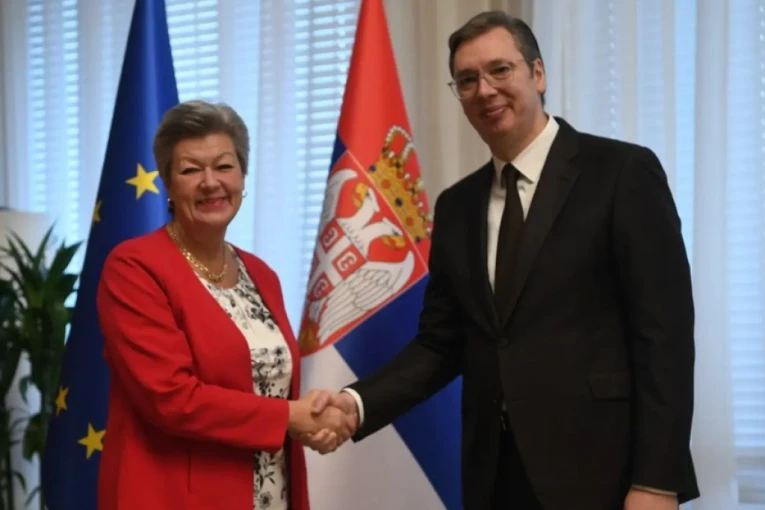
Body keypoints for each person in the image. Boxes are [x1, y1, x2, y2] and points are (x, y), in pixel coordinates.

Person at [308, 10, 699, 510]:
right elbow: (441, 344)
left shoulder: (622, 173)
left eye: (500, 70)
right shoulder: (457, 206)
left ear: (538, 74)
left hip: (603, 473)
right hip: (493, 477)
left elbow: (664, 338)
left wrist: (658, 481)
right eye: (467, 80)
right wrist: (354, 405)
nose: (485, 90)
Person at [95, 100, 352, 510]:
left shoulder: (261, 274)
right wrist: (292, 417)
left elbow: (266, 386)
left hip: (271, 494)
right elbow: (172, 399)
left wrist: (313, 419)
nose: (210, 182)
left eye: (224, 166)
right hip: (177, 498)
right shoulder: (133, 267)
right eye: (190, 170)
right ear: (167, 184)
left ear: (242, 177)